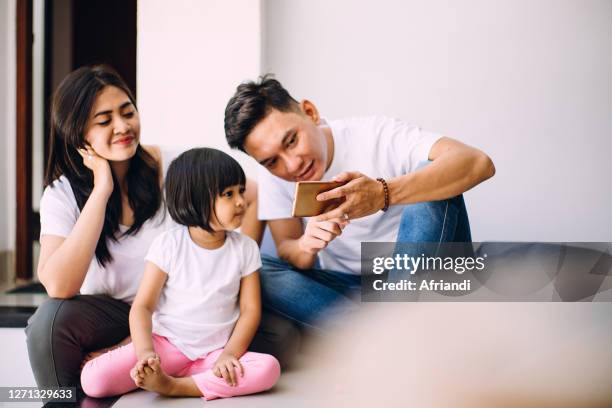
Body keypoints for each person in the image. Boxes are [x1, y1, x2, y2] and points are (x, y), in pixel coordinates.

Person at [25, 66, 296, 404]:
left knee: (282, 337)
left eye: (128, 112)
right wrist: (102, 189)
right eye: (104, 120)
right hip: (113, 315)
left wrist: (237, 260)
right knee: (48, 323)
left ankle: (166, 373)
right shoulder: (61, 194)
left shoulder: (172, 166)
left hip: (185, 314)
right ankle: (67, 398)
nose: (123, 127)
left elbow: (253, 194)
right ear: (77, 133)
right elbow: (59, 285)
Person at [224, 75, 496, 332]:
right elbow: (287, 247)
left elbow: (477, 162)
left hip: (422, 273)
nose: (292, 164)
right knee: (255, 270)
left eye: (292, 140)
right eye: (272, 161)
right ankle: (391, 333)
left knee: (432, 178)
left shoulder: (376, 135)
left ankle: (384, 333)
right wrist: (307, 245)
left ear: (310, 112)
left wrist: (382, 193)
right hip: (350, 289)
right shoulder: (274, 176)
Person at [80, 148, 281, 400]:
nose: (241, 200)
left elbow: (250, 310)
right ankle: (172, 375)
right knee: (93, 380)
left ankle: (174, 386)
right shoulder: (169, 245)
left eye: (241, 190)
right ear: (194, 200)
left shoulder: (245, 248)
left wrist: (229, 354)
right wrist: (145, 353)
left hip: (214, 355)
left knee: (268, 369)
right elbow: (142, 307)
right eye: (228, 194)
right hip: (166, 347)